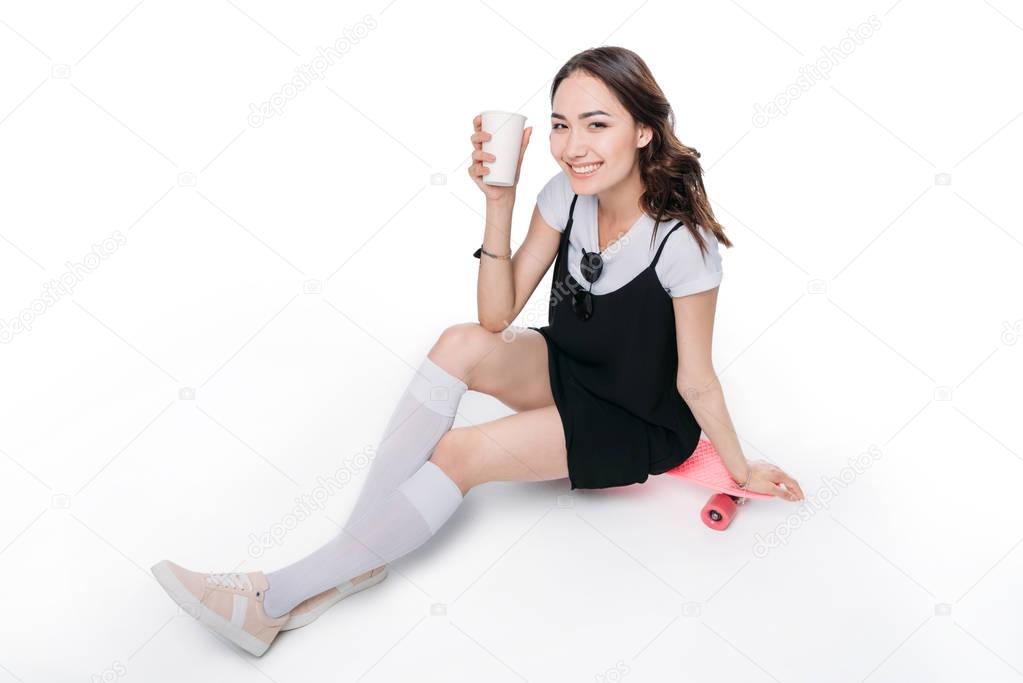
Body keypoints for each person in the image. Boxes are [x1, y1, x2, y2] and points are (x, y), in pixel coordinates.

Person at [151, 46, 805, 657]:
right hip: (571, 368)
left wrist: (740, 466)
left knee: (459, 453)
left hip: (635, 415)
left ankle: (274, 597)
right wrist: (499, 200)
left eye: (596, 124)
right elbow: (497, 314)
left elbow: (696, 381)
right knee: (459, 341)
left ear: (642, 131)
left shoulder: (681, 243)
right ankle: (364, 551)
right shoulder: (565, 197)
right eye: (559, 125)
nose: (572, 147)